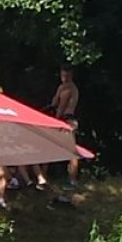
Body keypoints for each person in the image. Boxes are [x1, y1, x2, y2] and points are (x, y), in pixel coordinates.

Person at [39, 66, 82, 197]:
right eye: (63, 76)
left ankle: (72, 180)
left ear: (71, 75)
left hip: (66, 120)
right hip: (62, 119)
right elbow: (54, 102)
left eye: (67, 76)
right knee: (50, 146)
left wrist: (56, 120)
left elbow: (62, 105)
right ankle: (43, 178)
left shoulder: (70, 88)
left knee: (71, 150)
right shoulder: (61, 87)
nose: (64, 78)